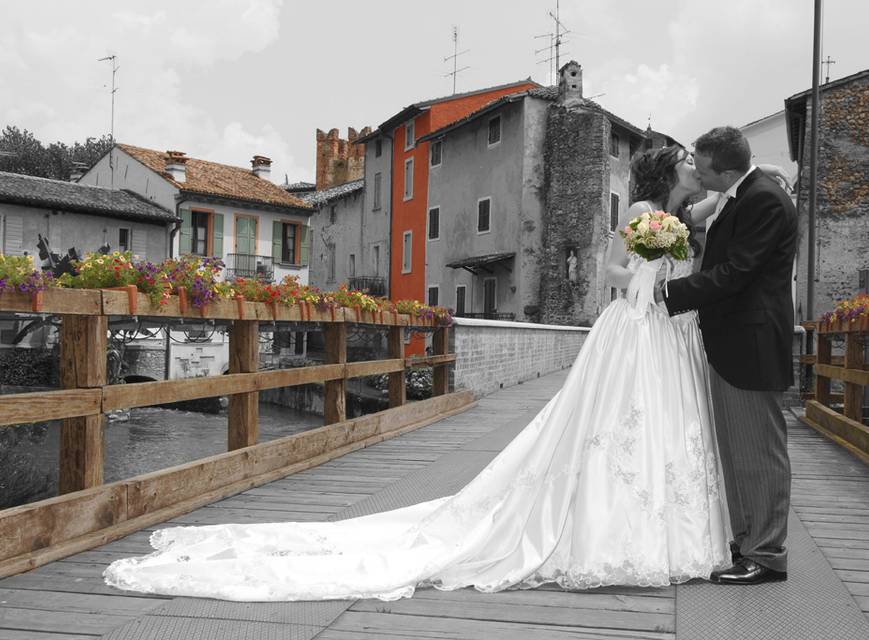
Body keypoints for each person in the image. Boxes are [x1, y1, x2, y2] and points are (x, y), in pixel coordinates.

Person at [104, 143, 731, 602]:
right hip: (632, 331)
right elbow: (614, 273)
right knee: (608, 426)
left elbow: (716, 208)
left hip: (665, 336)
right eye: (682, 161)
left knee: (652, 427)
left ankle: (658, 525)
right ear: (665, 173)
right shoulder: (646, 218)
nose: (689, 168)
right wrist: (645, 271)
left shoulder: (686, 216)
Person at [656, 126, 799, 585]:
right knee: (736, 451)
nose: (696, 170)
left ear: (727, 169)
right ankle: (746, 541)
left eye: (701, 164)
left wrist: (669, 293)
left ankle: (768, 554)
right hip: (729, 342)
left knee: (759, 451)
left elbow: (736, 273)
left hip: (751, 344)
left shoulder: (763, 200)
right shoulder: (741, 193)